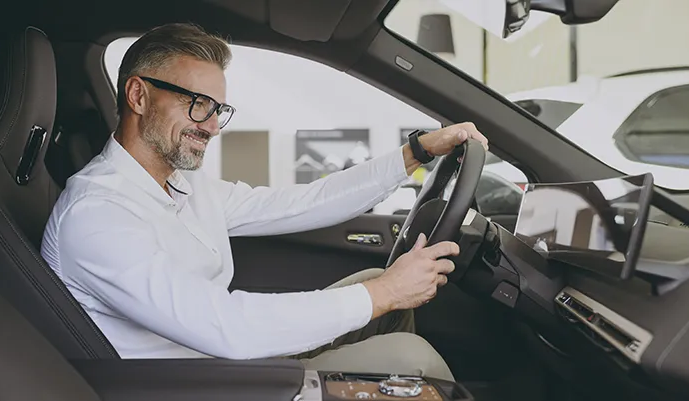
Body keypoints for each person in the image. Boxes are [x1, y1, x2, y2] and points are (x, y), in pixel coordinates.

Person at [41, 23, 488, 381]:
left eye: (218, 109)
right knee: (412, 357)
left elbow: (305, 202)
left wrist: (415, 154)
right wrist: (384, 292)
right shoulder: (97, 216)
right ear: (138, 95)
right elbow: (226, 327)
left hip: (230, 363)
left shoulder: (182, 185)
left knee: (378, 287)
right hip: (203, 385)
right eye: (198, 104)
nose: (212, 126)